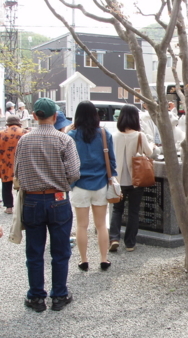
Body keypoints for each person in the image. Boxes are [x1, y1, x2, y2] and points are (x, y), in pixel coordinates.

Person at [15, 97, 80, 312]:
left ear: (34, 116)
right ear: (54, 116)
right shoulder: (64, 140)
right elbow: (74, 173)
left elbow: (18, 173)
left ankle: (36, 297)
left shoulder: (24, 140)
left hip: (32, 199)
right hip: (58, 199)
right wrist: (59, 181)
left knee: (34, 252)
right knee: (60, 251)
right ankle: (59, 296)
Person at [68, 101, 117, 272]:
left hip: (80, 184)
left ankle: (84, 260)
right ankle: (104, 259)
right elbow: (112, 161)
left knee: (81, 225)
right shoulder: (104, 134)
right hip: (100, 184)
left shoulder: (72, 135)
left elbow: (66, 162)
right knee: (101, 224)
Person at [109, 104, 154, 252]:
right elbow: (148, 152)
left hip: (118, 180)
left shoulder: (114, 136)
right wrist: (152, 145)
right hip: (136, 180)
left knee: (117, 210)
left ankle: (114, 238)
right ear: (135, 118)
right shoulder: (139, 136)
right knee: (134, 211)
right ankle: (130, 243)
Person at [0, 116, 27, 214]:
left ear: (8, 124)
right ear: (19, 123)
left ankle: (9, 207)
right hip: (21, 164)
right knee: (22, 187)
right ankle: (22, 205)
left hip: (5, 164)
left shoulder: (2, 134)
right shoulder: (25, 133)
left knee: (6, 186)